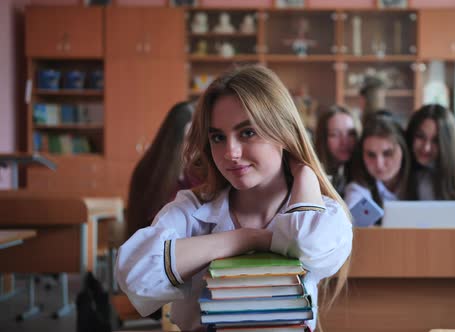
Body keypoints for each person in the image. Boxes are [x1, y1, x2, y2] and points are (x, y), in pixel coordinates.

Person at [115, 65, 353, 331]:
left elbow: (306, 242)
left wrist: (305, 173)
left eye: (247, 133)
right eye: (218, 137)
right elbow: (135, 274)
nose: (231, 153)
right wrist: (244, 238)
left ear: (284, 133)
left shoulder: (325, 213)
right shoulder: (193, 208)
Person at [126, 101, 197, 241]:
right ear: (174, 140)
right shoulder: (150, 171)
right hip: (157, 248)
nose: (196, 146)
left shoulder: (193, 170)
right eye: (190, 139)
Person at [344, 111, 410, 225]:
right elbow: (352, 226)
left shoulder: (422, 182)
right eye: (371, 155)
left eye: (388, 153)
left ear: (403, 150)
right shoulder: (358, 189)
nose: (379, 164)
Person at [314, 105, 360, 196]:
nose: (344, 142)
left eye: (351, 134)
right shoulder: (313, 175)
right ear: (323, 138)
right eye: (335, 134)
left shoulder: (362, 172)